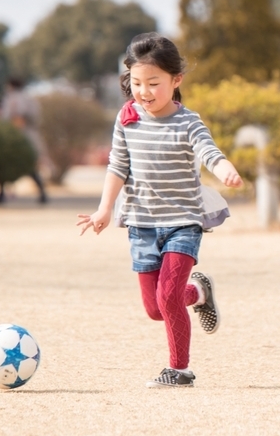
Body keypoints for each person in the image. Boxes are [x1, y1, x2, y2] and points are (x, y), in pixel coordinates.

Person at [78, 33, 244, 388]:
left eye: (154, 83)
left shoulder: (189, 122)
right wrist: (104, 209)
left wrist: (224, 168)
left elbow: (208, 151)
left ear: (176, 80)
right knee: (156, 309)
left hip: (183, 223)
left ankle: (179, 370)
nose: (144, 92)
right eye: (137, 83)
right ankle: (198, 293)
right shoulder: (127, 120)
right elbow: (117, 167)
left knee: (168, 298)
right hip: (141, 224)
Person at [0, 78, 50, 204]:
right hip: (28, 138)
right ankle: (42, 193)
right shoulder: (29, 99)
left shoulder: (11, 98)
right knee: (29, 167)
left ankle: (1, 195)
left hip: (16, 138)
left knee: (8, 166)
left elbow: (9, 118)